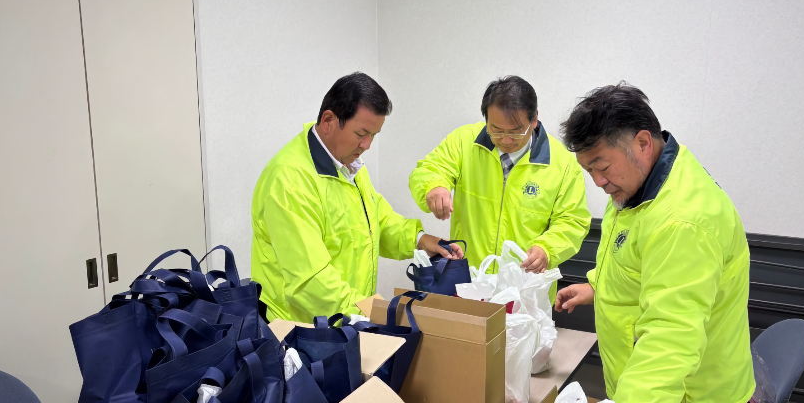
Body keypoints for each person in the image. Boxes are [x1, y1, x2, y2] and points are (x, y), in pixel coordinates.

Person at [554, 82, 754, 403]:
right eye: (589, 171)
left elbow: (671, 335)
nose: (599, 183)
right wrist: (598, 284)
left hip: (682, 397)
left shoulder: (683, 218)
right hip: (654, 390)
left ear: (643, 142)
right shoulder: (643, 187)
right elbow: (636, 260)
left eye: (602, 167)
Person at [251, 72, 460, 323]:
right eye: (361, 133)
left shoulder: (348, 164)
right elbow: (310, 280)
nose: (368, 144)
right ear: (328, 120)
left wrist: (419, 239)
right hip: (302, 330)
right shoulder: (289, 181)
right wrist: (374, 312)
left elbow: (376, 219)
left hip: (344, 319)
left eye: (374, 135)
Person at [408, 76, 590, 284]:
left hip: (526, 288)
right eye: (496, 129)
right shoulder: (464, 141)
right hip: (470, 281)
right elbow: (429, 169)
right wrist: (433, 186)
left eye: (515, 132)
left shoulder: (562, 162)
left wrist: (547, 249)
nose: (505, 140)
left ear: (534, 119)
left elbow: (572, 220)